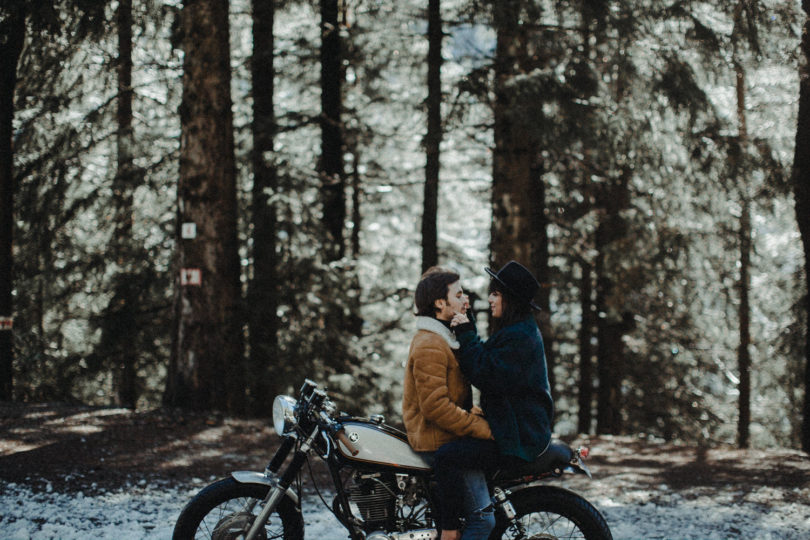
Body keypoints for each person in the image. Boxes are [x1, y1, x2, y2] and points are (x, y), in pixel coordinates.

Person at [434, 261, 554, 531]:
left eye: (496, 294)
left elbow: (485, 374)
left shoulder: (520, 336)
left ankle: (450, 530)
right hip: (512, 429)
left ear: (510, 299)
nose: (490, 299)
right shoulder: (517, 330)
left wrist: (466, 332)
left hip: (517, 437)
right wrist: (469, 330)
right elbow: (488, 359)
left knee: (445, 457)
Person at [401, 267, 494, 540]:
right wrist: (480, 427)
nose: (466, 300)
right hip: (437, 441)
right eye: (459, 294)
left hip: (446, 436)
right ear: (440, 303)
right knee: (483, 521)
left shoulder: (443, 338)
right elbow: (436, 407)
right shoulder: (430, 343)